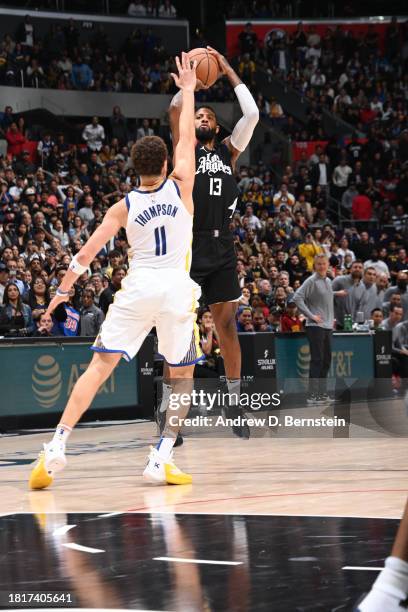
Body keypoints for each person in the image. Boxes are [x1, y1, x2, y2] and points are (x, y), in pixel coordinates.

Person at [29, 52, 202, 490]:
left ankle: (56, 447)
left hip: (139, 288)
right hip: (176, 290)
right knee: (182, 375)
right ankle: (161, 456)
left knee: (99, 367)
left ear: (135, 168)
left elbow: (83, 257)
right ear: (164, 164)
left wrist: (61, 293)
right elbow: (187, 138)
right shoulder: (183, 184)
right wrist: (187, 89)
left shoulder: (122, 207)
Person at [166, 45, 259, 440]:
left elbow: (252, 114)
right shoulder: (183, 145)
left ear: (218, 127)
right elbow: (175, 107)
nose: (201, 116)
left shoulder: (228, 151)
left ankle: (234, 402)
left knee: (227, 328)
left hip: (222, 248)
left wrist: (225, 69)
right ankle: (171, 415)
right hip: (188, 245)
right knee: (180, 332)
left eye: (207, 115)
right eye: (198, 114)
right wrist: (192, 79)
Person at [293, 253, 336, 405]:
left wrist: (331, 319)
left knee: (326, 360)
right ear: (314, 266)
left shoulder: (329, 281)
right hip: (315, 327)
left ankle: (322, 393)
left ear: (328, 265)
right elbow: (297, 297)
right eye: (319, 264)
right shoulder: (311, 280)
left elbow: (325, 300)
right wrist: (311, 315)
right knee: (317, 360)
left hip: (328, 326)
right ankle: (312, 395)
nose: (322, 266)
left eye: (324, 263)